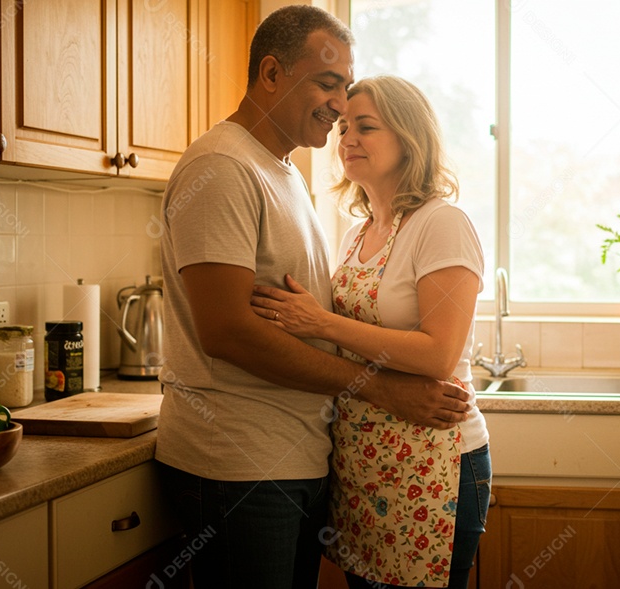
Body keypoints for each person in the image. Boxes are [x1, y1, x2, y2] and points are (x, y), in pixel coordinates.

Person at [154, 8, 471, 589]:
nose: (339, 106)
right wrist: (378, 387)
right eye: (328, 83)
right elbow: (226, 331)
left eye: (347, 91)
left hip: (292, 460)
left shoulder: (284, 172)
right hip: (239, 463)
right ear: (271, 73)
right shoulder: (223, 165)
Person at [250, 76, 491, 589]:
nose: (347, 139)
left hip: (433, 461)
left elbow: (439, 355)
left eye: (366, 126)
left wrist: (320, 321)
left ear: (409, 137)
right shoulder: (359, 234)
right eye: (342, 127)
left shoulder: (440, 223)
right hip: (366, 461)